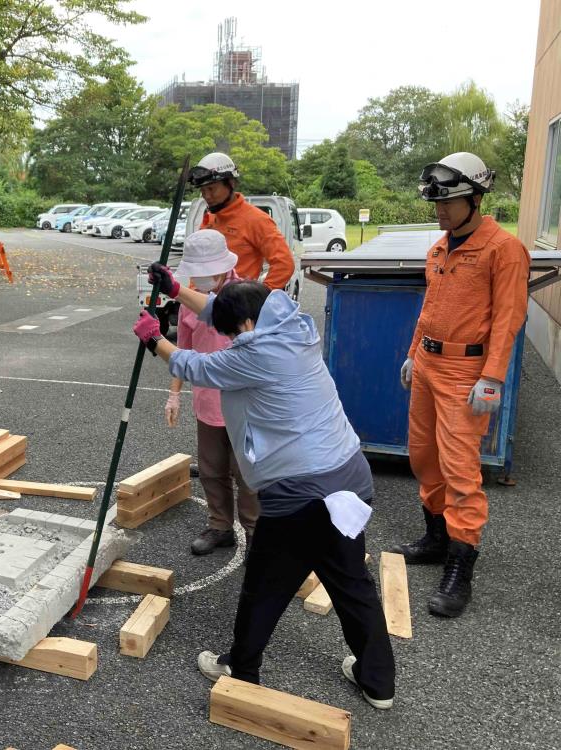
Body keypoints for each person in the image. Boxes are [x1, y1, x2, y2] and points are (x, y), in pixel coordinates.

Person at [134, 269, 396, 710]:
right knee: (352, 583)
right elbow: (226, 311)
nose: (230, 336)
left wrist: (153, 338)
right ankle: (378, 682)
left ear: (249, 327)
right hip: (349, 480)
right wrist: (177, 290)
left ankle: (241, 666)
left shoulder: (254, 356)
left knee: (264, 585)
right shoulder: (292, 324)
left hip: (301, 496)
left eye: (233, 331)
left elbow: (193, 365)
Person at [394, 153, 530, 618]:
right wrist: (414, 352)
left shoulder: (502, 250)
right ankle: (435, 537)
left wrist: (492, 377)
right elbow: (430, 306)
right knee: (422, 456)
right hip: (429, 365)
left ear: (475, 198)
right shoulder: (440, 247)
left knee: (460, 469)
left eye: (449, 203)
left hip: (465, 374)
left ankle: (460, 563)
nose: (441, 212)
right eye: (437, 204)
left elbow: (509, 319)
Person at [164, 230, 259, 555]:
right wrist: (174, 394)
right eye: (196, 273)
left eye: (207, 271)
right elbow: (183, 350)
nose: (201, 278)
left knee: (247, 474)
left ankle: (255, 534)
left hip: (244, 403)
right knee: (211, 469)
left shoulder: (245, 295)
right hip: (207, 401)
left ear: (223, 265)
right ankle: (220, 526)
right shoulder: (188, 301)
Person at [188, 152, 295, 290]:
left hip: (236, 307)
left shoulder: (256, 220)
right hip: (205, 305)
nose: (207, 196)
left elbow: (284, 264)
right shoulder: (210, 219)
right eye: (202, 191)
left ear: (231, 183)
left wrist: (258, 297)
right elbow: (200, 264)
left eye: (211, 189)